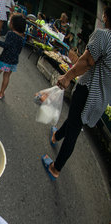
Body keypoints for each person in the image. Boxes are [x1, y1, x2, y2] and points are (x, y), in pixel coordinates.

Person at [42, 6, 111, 181]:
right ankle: (56, 135)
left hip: (88, 91)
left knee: (74, 131)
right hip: (100, 99)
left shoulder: (104, 36)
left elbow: (87, 61)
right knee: (75, 120)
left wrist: (67, 77)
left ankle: (55, 168)